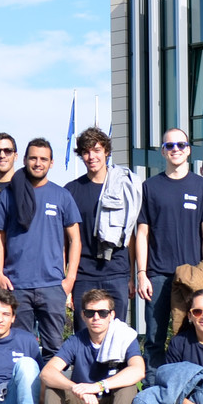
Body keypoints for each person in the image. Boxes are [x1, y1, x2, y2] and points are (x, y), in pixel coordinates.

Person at [29, 288, 144, 404]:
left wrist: (98, 386)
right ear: (83, 315)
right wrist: (76, 388)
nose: (96, 317)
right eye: (90, 313)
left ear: (111, 315)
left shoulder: (124, 337)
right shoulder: (76, 341)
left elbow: (138, 370)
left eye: (102, 313)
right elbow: (47, 372)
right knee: (54, 384)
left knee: (129, 387)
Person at [0, 138, 82, 361]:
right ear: (24, 160)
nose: (38, 163)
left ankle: (50, 386)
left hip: (52, 286)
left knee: (55, 350)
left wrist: (70, 279)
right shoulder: (8, 195)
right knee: (20, 351)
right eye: (33, 158)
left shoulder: (62, 196)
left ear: (51, 163)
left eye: (43, 159)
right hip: (17, 285)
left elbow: (75, 240)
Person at [135, 128, 203, 365]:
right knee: (154, 337)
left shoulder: (202, 187)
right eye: (169, 145)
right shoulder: (150, 187)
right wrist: (141, 273)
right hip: (158, 275)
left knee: (192, 334)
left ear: (188, 150)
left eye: (180, 145)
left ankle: (193, 380)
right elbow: (142, 233)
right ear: (163, 151)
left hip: (192, 274)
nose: (175, 149)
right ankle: (153, 383)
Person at [65, 127, 141, 330]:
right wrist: (68, 282)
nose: (92, 157)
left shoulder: (124, 187)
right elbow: (66, 240)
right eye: (86, 152)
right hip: (84, 274)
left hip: (117, 272)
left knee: (116, 334)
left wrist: (131, 277)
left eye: (97, 150)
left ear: (106, 151)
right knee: (84, 334)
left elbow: (130, 235)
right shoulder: (71, 190)